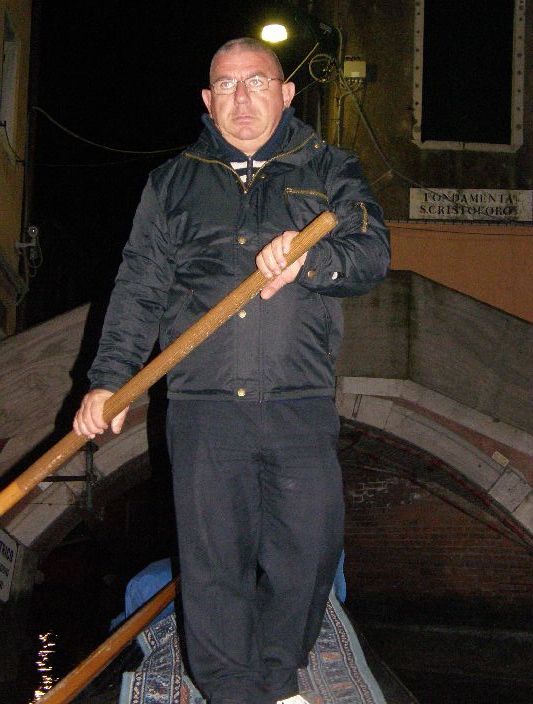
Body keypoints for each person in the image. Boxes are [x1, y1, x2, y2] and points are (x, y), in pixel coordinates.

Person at [73, 37, 390, 704]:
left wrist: (310, 263)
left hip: (298, 398)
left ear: (286, 93)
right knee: (213, 562)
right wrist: (109, 379)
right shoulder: (172, 184)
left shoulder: (330, 168)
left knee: (308, 550)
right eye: (226, 85)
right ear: (208, 99)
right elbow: (138, 289)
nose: (242, 97)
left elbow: (371, 253)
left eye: (257, 81)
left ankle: (276, 678)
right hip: (205, 403)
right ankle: (233, 693)